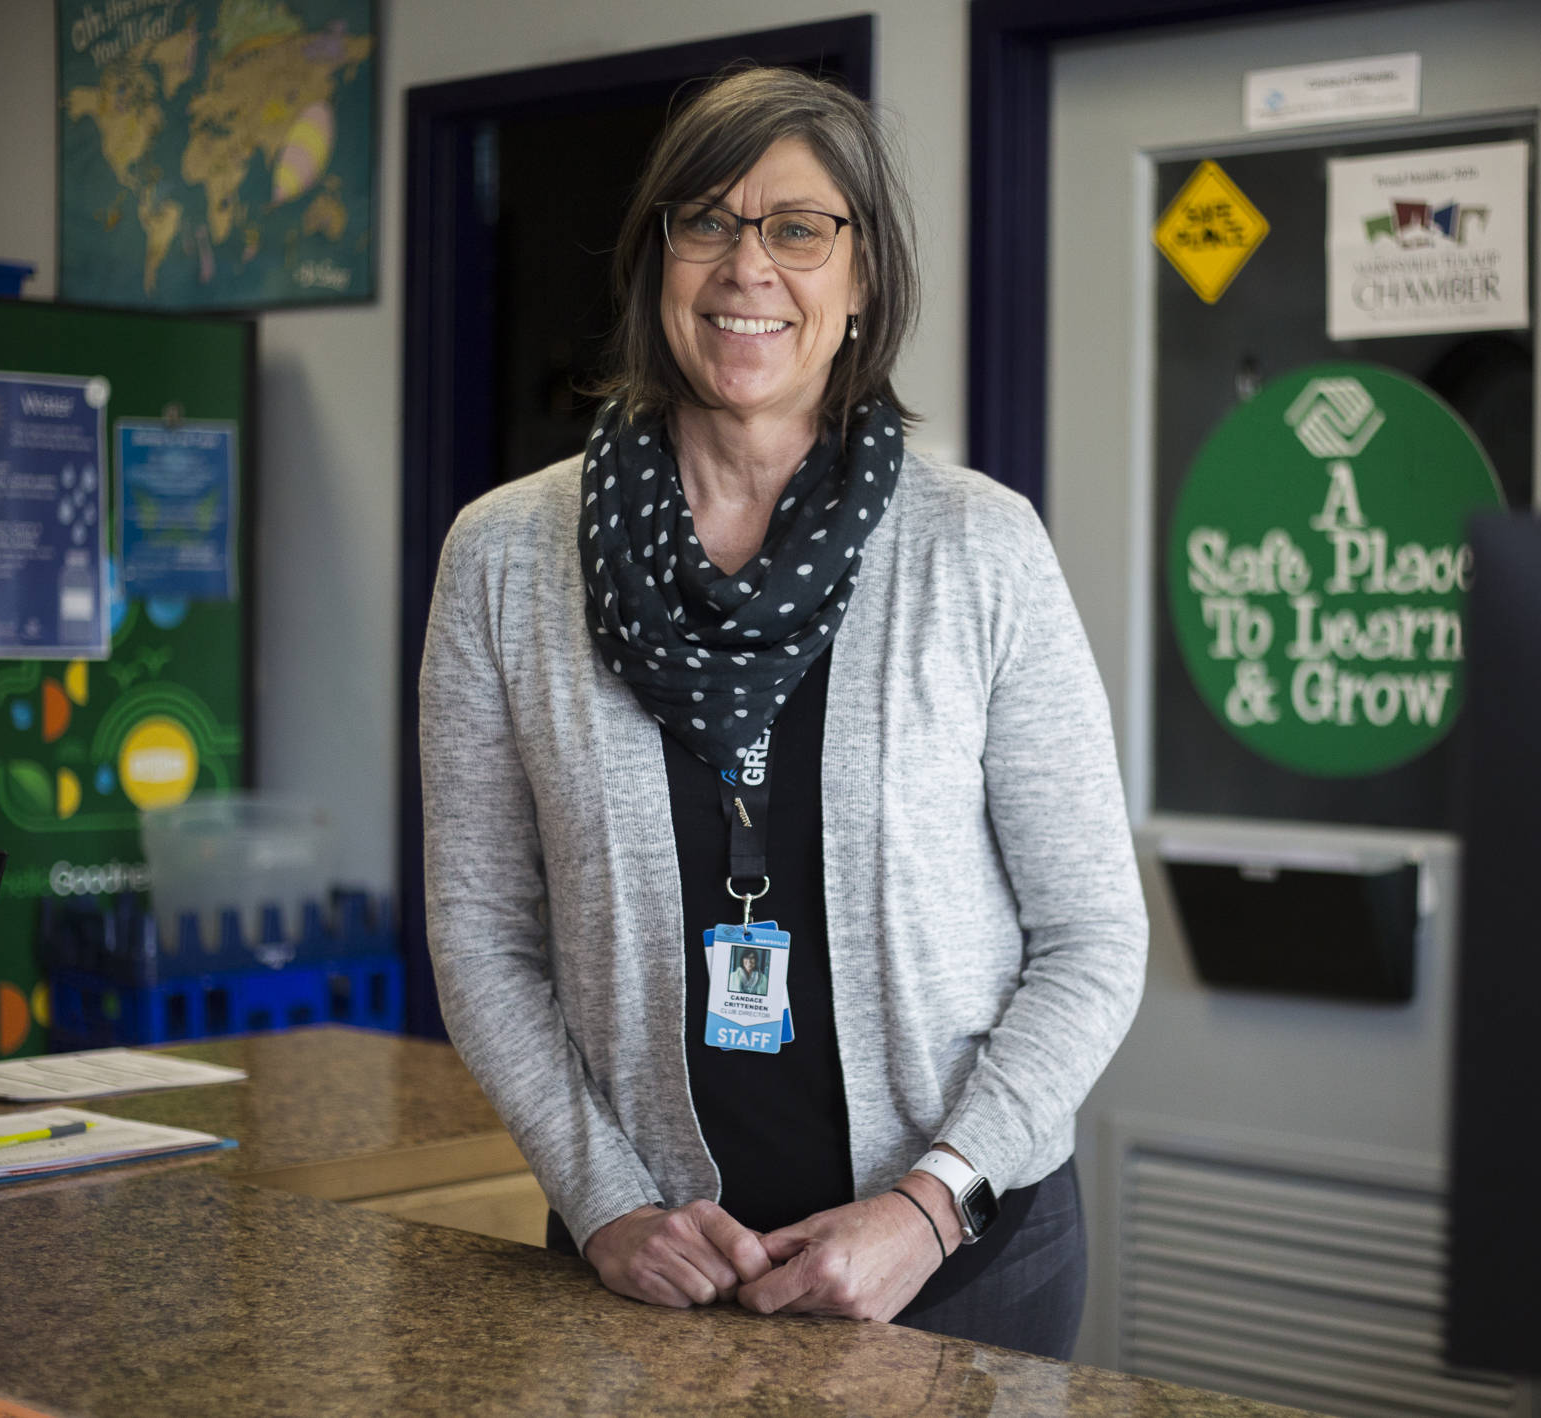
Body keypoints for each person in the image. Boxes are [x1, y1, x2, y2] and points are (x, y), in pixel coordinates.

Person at [419, 65, 1145, 1360]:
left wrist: (929, 1205)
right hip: (646, 1268)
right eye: (705, 221)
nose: (748, 266)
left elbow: (1092, 939)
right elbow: (481, 934)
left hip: (964, 1264)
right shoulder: (503, 558)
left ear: (861, 280)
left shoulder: (980, 550)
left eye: (799, 227)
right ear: (654, 263)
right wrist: (608, 1204)